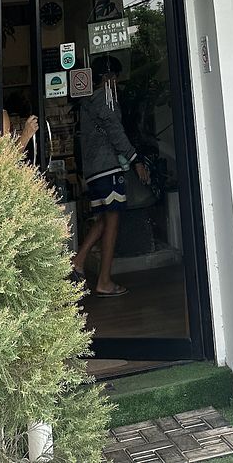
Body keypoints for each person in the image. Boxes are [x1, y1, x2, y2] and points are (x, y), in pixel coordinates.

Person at [72, 54, 149, 297]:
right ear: (107, 78)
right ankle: (104, 280)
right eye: (114, 77)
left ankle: (78, 261)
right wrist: (135, 160)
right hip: (108, 169)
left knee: (104, 220)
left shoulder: (86, 102)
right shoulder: (106, 100)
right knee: (112, 224)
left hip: (94, 170)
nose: (116, 82)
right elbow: (117, 133)